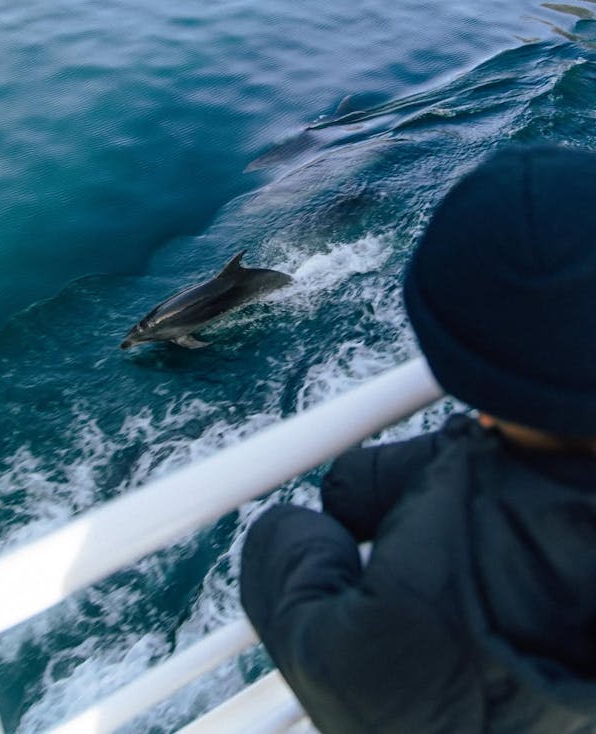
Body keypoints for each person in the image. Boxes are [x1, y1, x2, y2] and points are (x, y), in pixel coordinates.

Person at [240, 142, 596, 734]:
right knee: (354, 484)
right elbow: (353, 486)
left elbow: (282, 545)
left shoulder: (415, 630)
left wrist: (287, 528)